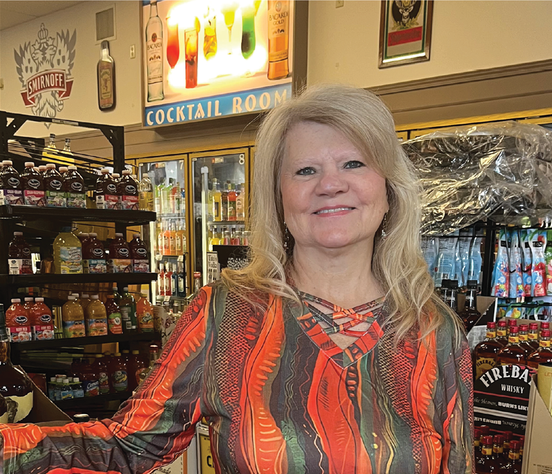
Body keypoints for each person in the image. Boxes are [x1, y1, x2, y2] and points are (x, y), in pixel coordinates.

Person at [0, 84, 474, 473]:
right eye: (305, 170)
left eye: (354, 163)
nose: (330, 184)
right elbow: (128, 446)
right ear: (279, 198)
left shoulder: (437, 331)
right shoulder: (225, 314)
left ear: (388, 189)